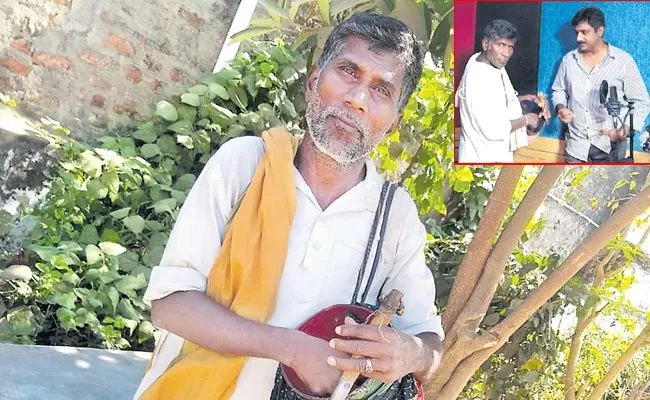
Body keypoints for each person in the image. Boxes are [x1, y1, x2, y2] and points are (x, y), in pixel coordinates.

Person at [132, 12, 444, 400]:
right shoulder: (246, 164)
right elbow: (171, 304)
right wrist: (293, 348)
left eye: (382, 90)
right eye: (348, 71)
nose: (357, 99)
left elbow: (430, 345)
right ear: (314, 82)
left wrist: (408, 353)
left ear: (394, 123)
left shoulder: (394, 217)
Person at [551, 6, 650, 163]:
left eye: (584, 32)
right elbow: (558, 91)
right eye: (576, 32)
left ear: (600, 31)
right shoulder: (568, 60)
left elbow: (642, 102)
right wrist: (561, 108)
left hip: (610, 148)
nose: (578, 38)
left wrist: (624, 131)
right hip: (575, 147)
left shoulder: (623, 61)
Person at [455, 19, 545, 163]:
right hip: (482, 158)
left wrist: (521, 99)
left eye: (510, 47)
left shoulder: (484, 61)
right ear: (486, 44)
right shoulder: (479, 78)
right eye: (501, 45)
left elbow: (494, 98)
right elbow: (494, 130)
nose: (506, 53)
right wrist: (527, 119)